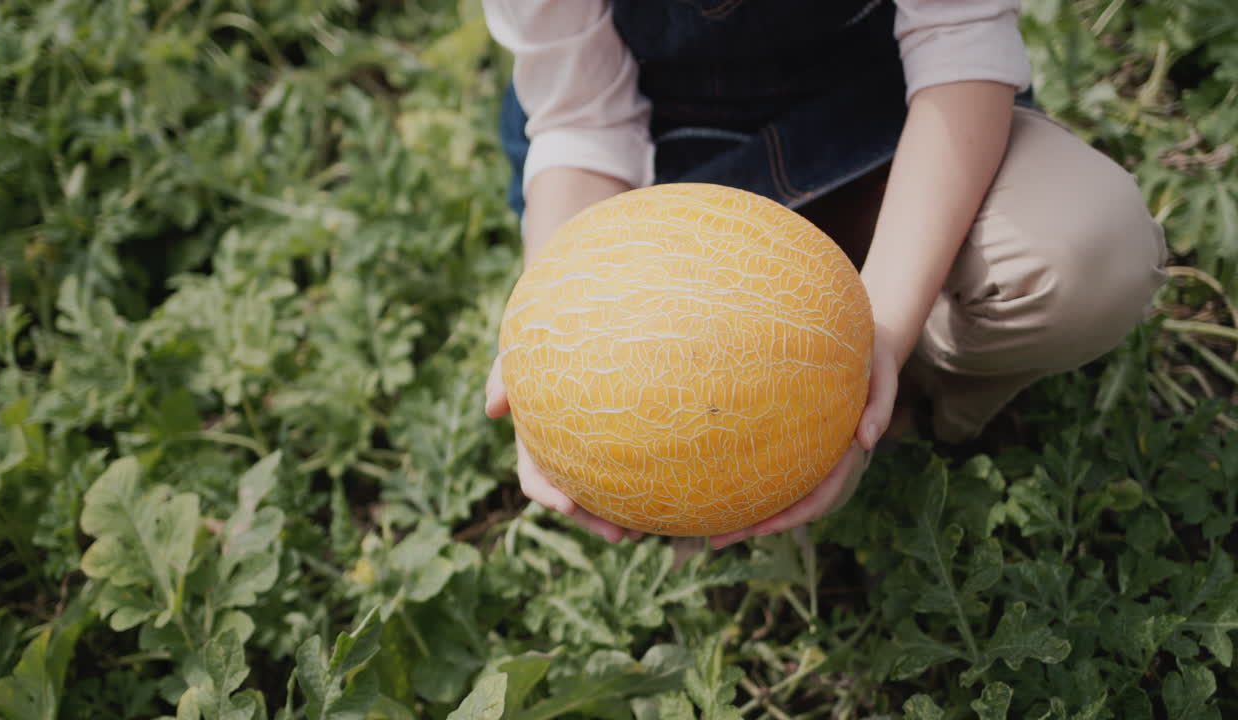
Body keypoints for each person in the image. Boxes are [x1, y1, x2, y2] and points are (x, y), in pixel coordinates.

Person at [481, 0, 1168, 549]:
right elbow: (583, 125)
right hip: (682, 205)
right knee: (641, 398)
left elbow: (960, 43)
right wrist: (555, 344)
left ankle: (895, 404)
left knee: (1086, 255)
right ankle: (759, 427)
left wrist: (880, 339)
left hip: (896, 140)